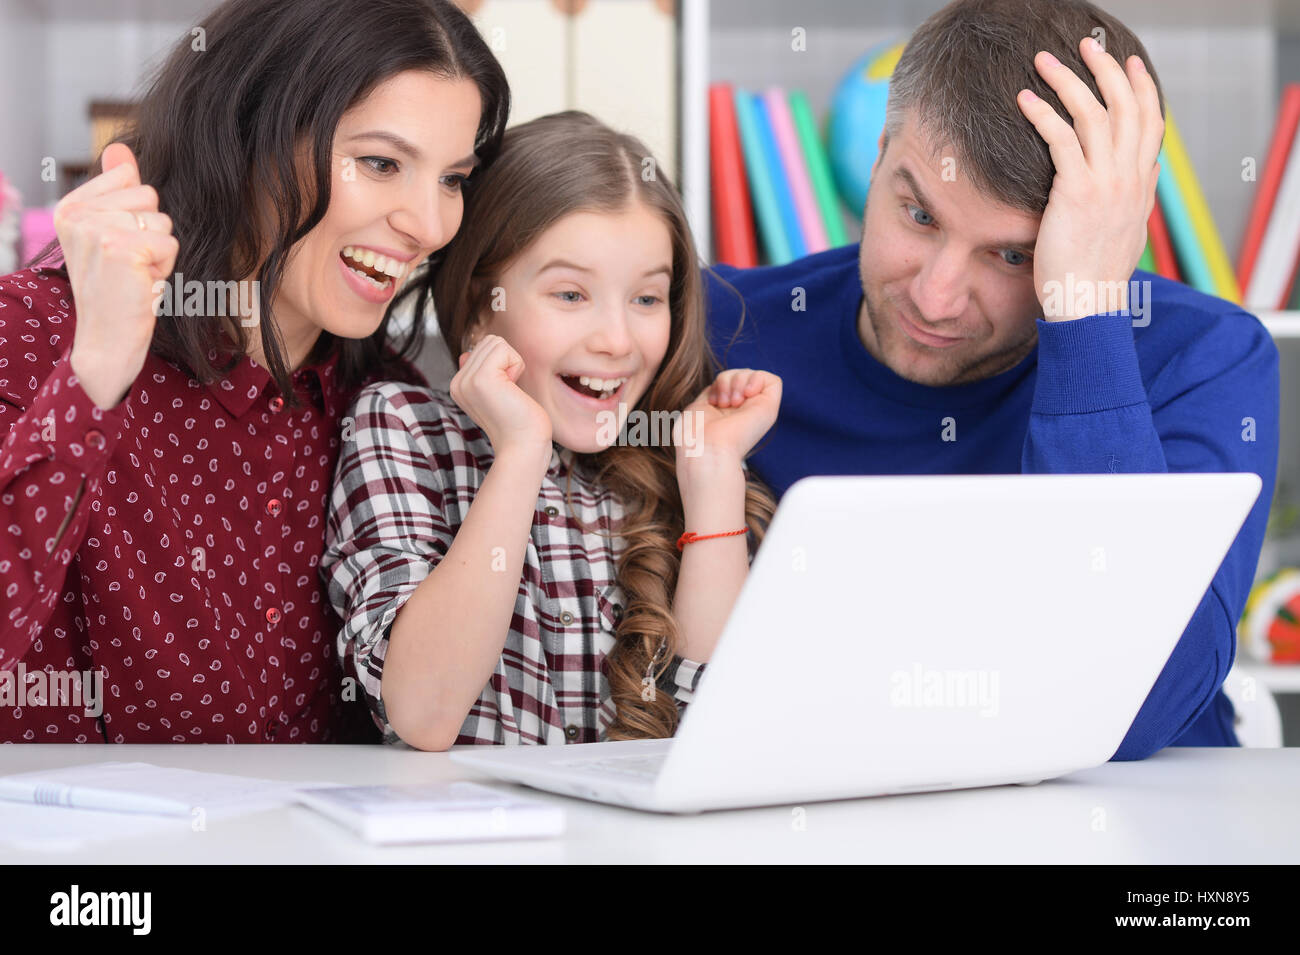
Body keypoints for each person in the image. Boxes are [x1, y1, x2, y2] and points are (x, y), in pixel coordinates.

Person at [704, 0, 1279, 760]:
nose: (935, 296)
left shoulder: (1205, 358)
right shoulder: (719, 328)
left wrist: (1083, 313)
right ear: (877, 158)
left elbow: (1128, 710)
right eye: (918, 214)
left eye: (1012, 256)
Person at [0, 0, 510, 743]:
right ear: (249, 132)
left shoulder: (387, 406)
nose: (429, 226)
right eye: (380, 163)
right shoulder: (34, 332)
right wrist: (98, 371)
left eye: (453, 179)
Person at [321, 112, 781, 750]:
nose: (617, 340)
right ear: (484, 308)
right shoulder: (401, 427)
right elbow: (422, 711)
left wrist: (713, 476)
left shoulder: (669, 463)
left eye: (646, 299)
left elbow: (719, 733)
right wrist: (520, 454)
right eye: (570, 295)